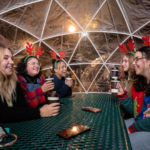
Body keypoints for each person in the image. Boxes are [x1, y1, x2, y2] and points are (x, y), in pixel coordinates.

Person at [0, 44, 60, 123]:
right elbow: (4, 113)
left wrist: (51, 94)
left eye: (38, 63)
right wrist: (41, 90)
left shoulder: (13, 81)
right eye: (6, 58)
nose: (12, 62)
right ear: (24, 66)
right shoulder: (20, 79)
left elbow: (22, 106)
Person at [117, 46, 150, 150]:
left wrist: (133, 128)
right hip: (139, 122)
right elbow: (136, 112)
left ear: (149, 61)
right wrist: (123, 96)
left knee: (120, 143)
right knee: (114, 130)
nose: (133, 63)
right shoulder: (141, 84)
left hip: (146, 127)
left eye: (137, 59)